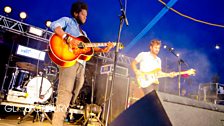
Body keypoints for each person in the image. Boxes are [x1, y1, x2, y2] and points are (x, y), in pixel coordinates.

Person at [50, 1, 114, 126]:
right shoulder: (68, 21)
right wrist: (68, 38)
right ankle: (57, 122)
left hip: (81, 65)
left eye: (86, 15)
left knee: (77, 89)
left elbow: (89, 49)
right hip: (68, 62)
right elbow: (54, 25)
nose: (85, 17)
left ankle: (64, 113)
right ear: (76, 13)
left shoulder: (83, 34)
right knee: (65, 92)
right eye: (83, 14)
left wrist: (103, 49)